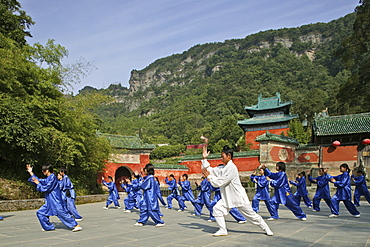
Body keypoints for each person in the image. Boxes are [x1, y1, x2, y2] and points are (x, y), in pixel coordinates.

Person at [202, 145, 273, 237]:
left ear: (229, 156)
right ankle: (223, 230)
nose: (221, 159)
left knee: (252, 215)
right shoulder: (223, 168)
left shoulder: (232, 168)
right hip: (227, 197)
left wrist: (209, 177)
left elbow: (221, 181)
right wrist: (204, 158)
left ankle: (266, 228)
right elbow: (210, 170)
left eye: (222, 157)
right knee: (217, 209)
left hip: (238, 197)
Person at [26, 164, 82, 232]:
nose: (42, 172)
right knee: (41, 213)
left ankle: (76, 225)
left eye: (43, 171)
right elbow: (39, 181)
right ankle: (48, 227)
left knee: (62, 214)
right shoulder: (49, 178)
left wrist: (38, 183)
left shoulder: (53, 178)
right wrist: (31, 172)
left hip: (55, 200)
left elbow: (45, 188)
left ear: (47, 171)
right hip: (50, 201)